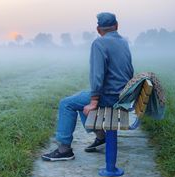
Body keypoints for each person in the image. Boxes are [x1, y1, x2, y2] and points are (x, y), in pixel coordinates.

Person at [42, 12, 134, 161]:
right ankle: (101, 137)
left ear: (98, 30)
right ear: (117, 26)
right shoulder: (124, 42)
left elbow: (97, 74)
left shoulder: (99, 43)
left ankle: (64, 149)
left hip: (110, 97)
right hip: (122, 95)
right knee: (79, 100)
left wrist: (94, 101)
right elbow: (130, 71)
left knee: (66, 103)